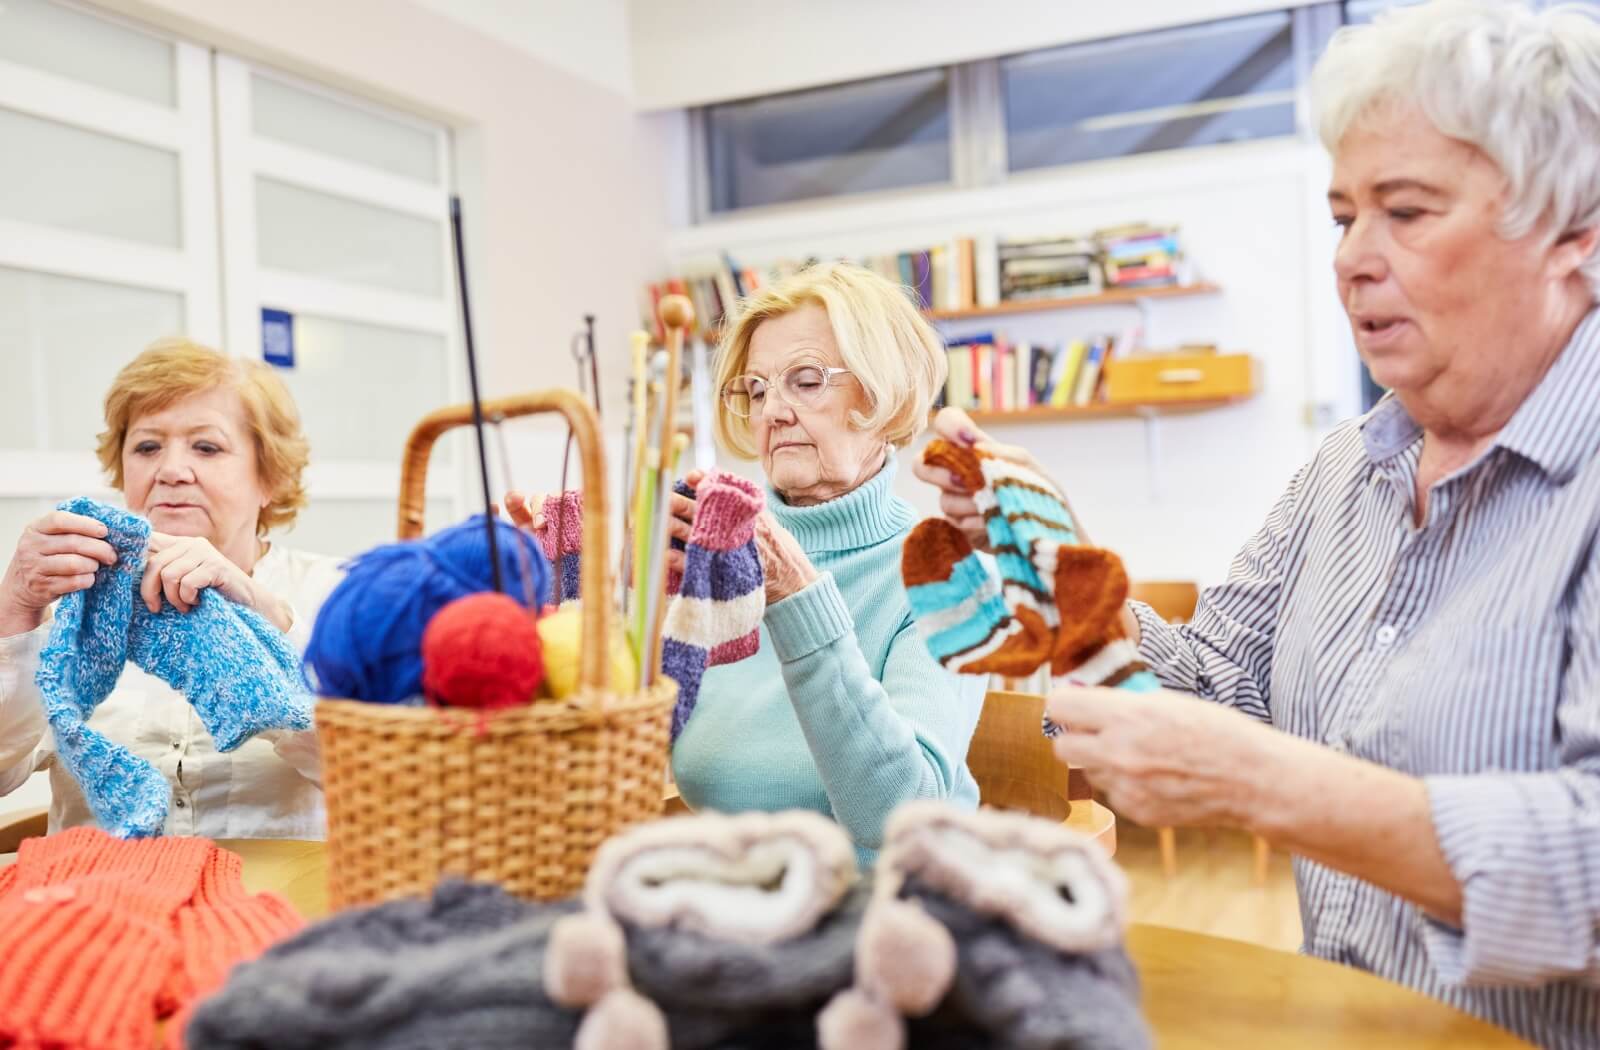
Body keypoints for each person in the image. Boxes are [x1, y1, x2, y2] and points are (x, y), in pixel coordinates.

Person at [919, 2, 1600, 1044]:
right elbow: (1216, 683)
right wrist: (1043, 562)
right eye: (1341, 217)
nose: (1352, 259)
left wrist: (1270, 787)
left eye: (1406, 213)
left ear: (1571, 240)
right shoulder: (1343, 468)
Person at [512, 263, 985, 865]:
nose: (771, 413)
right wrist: (607, 598)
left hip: (885, 914)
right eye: (757, 390)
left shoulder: (951, 576)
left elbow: (900, 815)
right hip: (730, 898)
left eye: (806, 381)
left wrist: (797, 597)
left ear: (886, 397)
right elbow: (608, 760)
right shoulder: (714, 558)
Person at [0, 338, 343, 839]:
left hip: (286, 906)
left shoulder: (339, 598)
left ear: (269, 476)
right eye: (146, 447)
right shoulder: (73, 610)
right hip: (98, 903)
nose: (171, 470)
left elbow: (393, 779)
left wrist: (261, 619)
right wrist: (14, 611)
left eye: (207, 447)